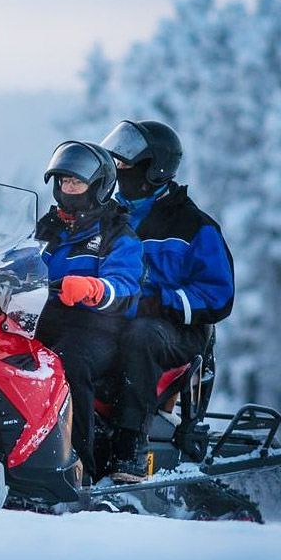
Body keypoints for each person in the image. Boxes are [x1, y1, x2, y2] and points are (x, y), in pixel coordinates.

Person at [99, 119, 235, 482]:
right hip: (116, 318)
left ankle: (130, 449)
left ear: (153, 168)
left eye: (125, 162)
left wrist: (162, 302)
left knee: (141, 335)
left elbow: (219, 294)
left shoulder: (193, 225)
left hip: (178, 330)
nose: (118, 170)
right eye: (116, 162)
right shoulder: (108, 216)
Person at [34, 140, 143, 479]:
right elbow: (15, 259)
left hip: (97, 329)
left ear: (98, 186)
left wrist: (95, 289)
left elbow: (126, 285)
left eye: (77, 182)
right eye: (64, 181)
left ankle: (79, 468)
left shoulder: (116, 232)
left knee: (67, 363)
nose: (68, 188)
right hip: (44, 318)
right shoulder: (47, 228)